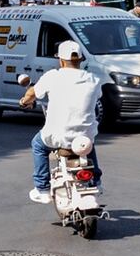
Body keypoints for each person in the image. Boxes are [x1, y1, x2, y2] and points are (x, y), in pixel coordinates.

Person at [19, 40, 103, 203]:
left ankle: (42, 188)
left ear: (61, 60)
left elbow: (31, 94)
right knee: (88, 143)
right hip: (84, 137)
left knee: (38, 145)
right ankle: (96, 180)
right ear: (80, 59)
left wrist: (24, 101)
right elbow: (97, 95)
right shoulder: (93, 79)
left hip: (57, 135)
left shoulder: (53, 77)